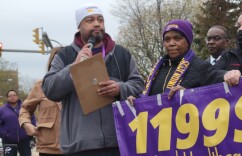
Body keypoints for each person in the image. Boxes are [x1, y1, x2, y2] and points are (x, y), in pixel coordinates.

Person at [42, 3, 144, 156]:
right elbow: (50, 89)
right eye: (89, 20)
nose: (97, 24)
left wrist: (119, 88)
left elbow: (138, 85)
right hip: (80, 146)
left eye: (100, 20)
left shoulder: (122, 54)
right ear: (79, 26)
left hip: (119, 142)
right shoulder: (65, 55)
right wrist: (74, 67)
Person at [129, 19, 222, 103]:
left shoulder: (202, 67)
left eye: (177, 38)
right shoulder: (156, 70)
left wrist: (190, 95)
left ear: (188, 42)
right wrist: (136, 101)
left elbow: (218, 97)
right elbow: (147, 98)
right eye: (167, 39)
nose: (171, 43)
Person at [18, 47, 64, 156]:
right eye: (58, 59)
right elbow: (25, 108)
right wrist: (26, 124)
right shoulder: (41, 85)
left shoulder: (79, 84)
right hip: (48, 148)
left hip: (76, 147)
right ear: (52, 62)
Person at [0, 90, 36, 156]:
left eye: (14, 95)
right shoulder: (2, 110)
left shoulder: (25, 107)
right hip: (8, 141)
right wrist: (4, 134)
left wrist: (30, 132)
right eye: (10, 96)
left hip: (25, 140)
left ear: (17, 96)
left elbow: (32, 120)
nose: (12, 97)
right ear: (7, 98)